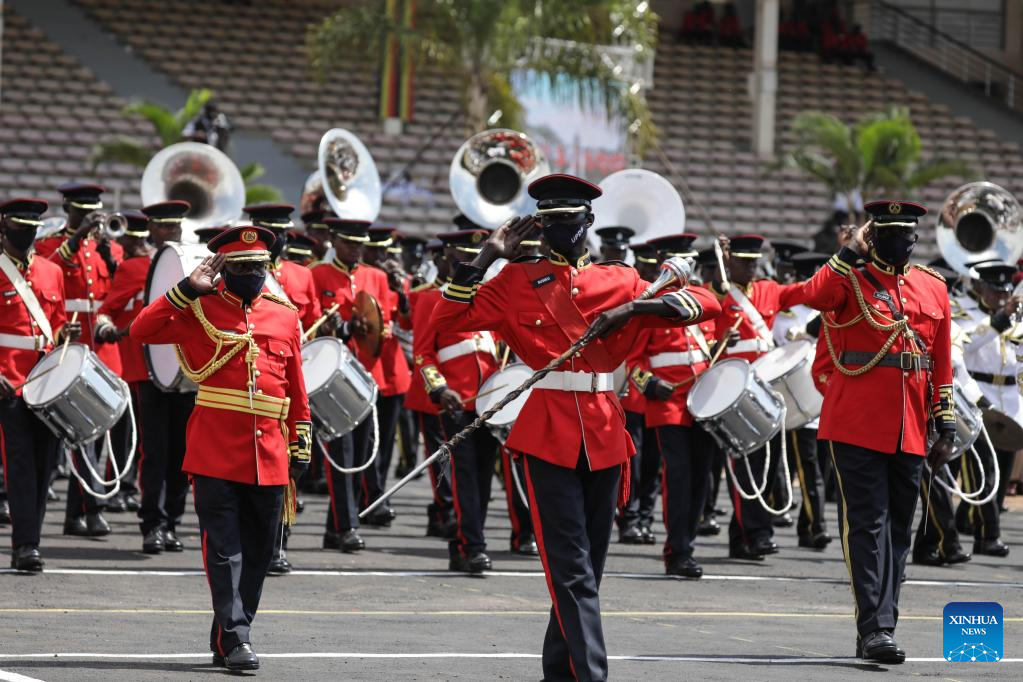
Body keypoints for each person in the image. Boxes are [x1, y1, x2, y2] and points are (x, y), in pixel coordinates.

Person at [430, 173, 720, 681]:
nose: (561, 229)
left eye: (570, 219)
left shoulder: (621, 279)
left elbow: (707, 303)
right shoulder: (515, 280)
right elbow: (444, 322)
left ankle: (560, 672)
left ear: (589, 221)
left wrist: (637, 307)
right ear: (539, 225)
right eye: (551, 221)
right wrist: (486, 257)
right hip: (547, 432)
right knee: (571, 569)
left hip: (605, 431)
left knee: (587, 572)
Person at [131, 225, 311, 671]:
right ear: (224, 269)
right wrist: (186, 290)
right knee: (225, 550)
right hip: (214, 450)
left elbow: (296, 387)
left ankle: (228, 634)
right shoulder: (199, 308)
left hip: (270, 452)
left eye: (258, 267)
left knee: (260, 553)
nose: (252, 275)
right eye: (242, 268)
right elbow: (141, 330)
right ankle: (236, 638)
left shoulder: (284, 314)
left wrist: (301, 441)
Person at [803, 200, 955, 663]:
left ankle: (879, 623)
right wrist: (848, 251)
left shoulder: (933, 286)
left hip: (910, 426)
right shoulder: (849, 279)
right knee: (867, 526)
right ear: (874, 236)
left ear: (915, 237)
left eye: (904, 233)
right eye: (886, 233)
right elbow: (814, 296)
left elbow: (941, 361)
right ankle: (876, 628)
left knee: (898, 532)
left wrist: (945, 421)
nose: (898, 241)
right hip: (856, 423)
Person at [96, 201, 196, 554]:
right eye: (163, 227)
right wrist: (106, 327)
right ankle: (152, 523)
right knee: (154, 452)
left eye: (175, 226)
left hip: (189, 370)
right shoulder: (136, 267)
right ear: (150, 229)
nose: (171, 232)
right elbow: (107, 310)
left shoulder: (192, 265)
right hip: (149, 371)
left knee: (183, 453)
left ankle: (173, 523)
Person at [413, 228, 502, 572]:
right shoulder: (429, 299)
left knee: (483, 480)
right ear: (448, 257)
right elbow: (423, 355)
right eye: (463, 256)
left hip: (490, 403)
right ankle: (471, 547)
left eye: (474, 256)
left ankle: (465, 541)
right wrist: (439, 389)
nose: (469, 262)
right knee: (465, 477)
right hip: (456, 402)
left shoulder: (488, 296)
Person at [37, 182, 121, 537]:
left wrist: (108, 254)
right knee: (59, 438)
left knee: (95, 435)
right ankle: (47, 506)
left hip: (100, 350)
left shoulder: (108, 247)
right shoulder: (51, 245)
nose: (90, 219)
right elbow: (43, 272)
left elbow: (116, 294)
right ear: (68, 211)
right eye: (83, 213)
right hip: (66, 348)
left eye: (93, 214)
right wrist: (76, 238)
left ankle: (82, 511)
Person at [631, 234, 717, 578]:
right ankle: (677, 550)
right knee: (678, 476)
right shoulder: (651, 303)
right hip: (668, 405)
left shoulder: (703, 300)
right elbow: (631, 361)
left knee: (700, 478)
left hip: (704, 403)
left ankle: (687, 545)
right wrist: (649, 383)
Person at [0, 198, 79, 572]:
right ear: (4, 226)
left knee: (45, 465)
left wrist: (66, 332)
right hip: (10, 382)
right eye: (20, 226)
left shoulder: (51, 271)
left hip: (47, 382)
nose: (27, 233)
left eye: (32, 227)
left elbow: (56, 322)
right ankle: (26, 545)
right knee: (20, 465)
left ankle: (31, 538)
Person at [716, 234, 806, 560]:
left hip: (765, 390)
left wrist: (845, 257)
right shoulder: (718, 294)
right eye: (744, 262)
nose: (751, 267)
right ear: (730, 262)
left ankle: (740, 538)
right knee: (746, 468)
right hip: (734, 393)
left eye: (754, 262)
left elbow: (805, 291)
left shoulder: (769, 289)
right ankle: (757, 534)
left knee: (766, 466)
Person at [954, 262, 1017, 557]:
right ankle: (988, 535)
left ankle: (971, 523)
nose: (1000, 297)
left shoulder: (1016, 319)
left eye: (1004, 292)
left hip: (1010, 400)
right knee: (984, 471)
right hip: (977, 398)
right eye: (994, 291)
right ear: (981, 288)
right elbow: (967, 346)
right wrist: (999, 320)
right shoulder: (966, 315)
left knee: (1001, 474)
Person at [772, 251, 833, 550]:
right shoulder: (786, 315)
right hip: (799, 400)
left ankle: (806, 526)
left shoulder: (830, 309)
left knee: (819, 466)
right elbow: (785, 350)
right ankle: (816, 526)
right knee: (808, 468)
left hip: (826, 399)